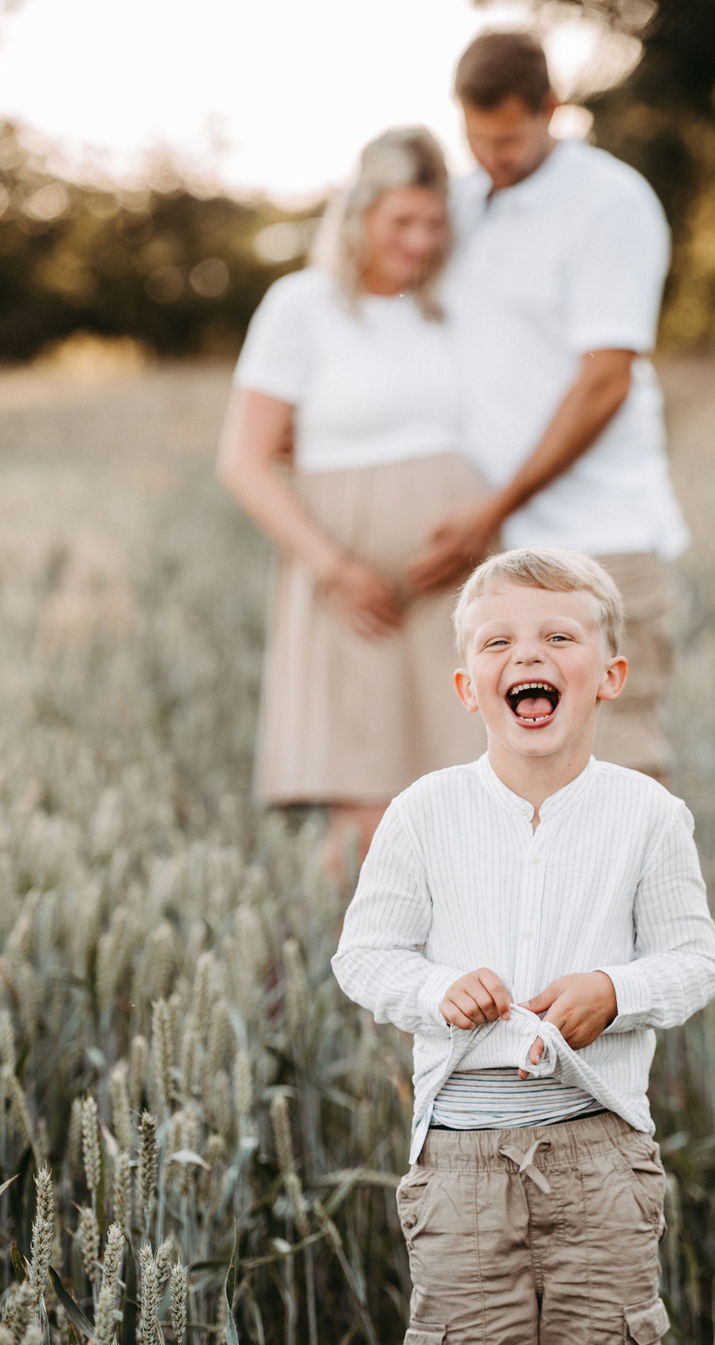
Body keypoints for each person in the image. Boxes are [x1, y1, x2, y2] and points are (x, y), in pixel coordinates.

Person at [332, 548, 715, 1345]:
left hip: (601, 1159)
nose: (528, 655)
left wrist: (614, 990)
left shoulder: (648, 816)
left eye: (558, 636)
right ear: (468, 685)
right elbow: (364, 957)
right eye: (499, 641)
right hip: (461, 1168)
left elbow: (693, 963)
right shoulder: (424, 814)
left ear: (610, 675)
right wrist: (437, 989)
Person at [406, 32, 689, 783]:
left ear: (551, 110)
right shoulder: (460, 207)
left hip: (600, 538)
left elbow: (606, 382)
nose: (491, 156)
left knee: (618, 773)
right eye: (475, 138)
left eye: (507, 139)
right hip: (493, 550)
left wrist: (495, 506)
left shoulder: (609, 202)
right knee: (504, 782)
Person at [218, 127, 485, 874]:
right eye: (401, 222)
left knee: (465, 813)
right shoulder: (301, 306)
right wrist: (334, 570)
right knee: (369, 824)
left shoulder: (444, 308)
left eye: (433, 224)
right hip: (355, 595)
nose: (420, 241)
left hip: (456, 588)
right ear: (358, 213)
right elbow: (244, 461)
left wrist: (478, 532)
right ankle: (334, 949)